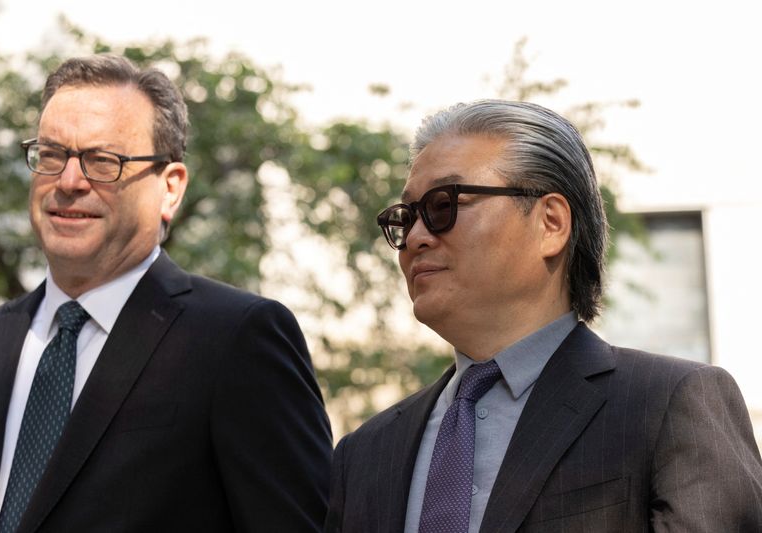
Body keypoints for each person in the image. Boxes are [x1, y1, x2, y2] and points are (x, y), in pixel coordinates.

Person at [325, 99, 762, 532]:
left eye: (443, 206)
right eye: (406, 217)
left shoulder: (668, 404)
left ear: (550, 223)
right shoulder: (364, 454)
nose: (416, 237)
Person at [0, 54, 332, 533]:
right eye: (51, 155)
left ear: (171, 188)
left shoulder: (235, 340)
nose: (70, 182)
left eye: (102, 161)